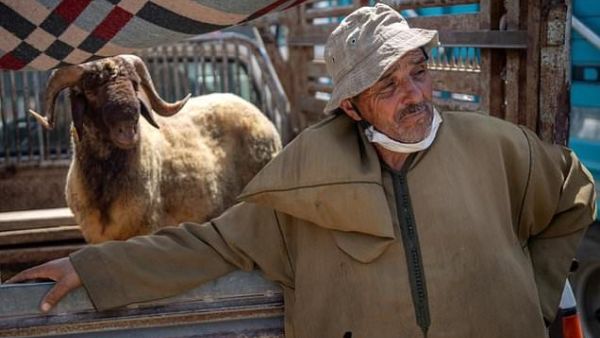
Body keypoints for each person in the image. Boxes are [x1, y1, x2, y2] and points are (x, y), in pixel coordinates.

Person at [8, 4, 596, 338]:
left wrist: (537, 293)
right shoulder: (305, 182)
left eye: (418, 71)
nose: (414, 95)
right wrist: (89, 267)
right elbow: (208, 246)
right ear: (349, 104)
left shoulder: (496, 148)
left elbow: (575, 193)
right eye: (386, 85)